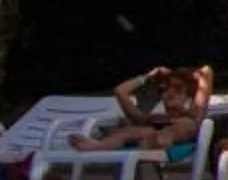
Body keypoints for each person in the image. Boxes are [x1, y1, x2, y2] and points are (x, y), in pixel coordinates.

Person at [67, 64, 213, 152]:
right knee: (128, 131)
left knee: (185, 123)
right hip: (150, 135)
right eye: (166, 88)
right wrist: (148, 76)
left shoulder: (194, 113)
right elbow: (120, 91)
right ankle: (96, 146)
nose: (170, 92)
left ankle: (162, 138)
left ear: (189, 96)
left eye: (178, 88)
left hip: (173, 137)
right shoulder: (151, 119)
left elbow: (207, 71)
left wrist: (190, 75)